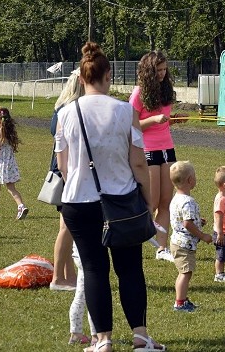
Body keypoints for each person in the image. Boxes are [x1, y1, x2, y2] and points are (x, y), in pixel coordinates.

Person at [55, 42, 165, 352]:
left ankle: (102, 340)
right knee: (130, 269)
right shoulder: (124, 110)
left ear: (82, 77)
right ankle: (141, 336)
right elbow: (139, 162)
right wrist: (147, 199)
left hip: (78, 201)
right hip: (120, 200)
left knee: (93, 269)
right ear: (108, 76)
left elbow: (63, 165)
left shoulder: (66, 112)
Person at [130, 51, 177, 261]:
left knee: (167, 200)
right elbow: (131, 126)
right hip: (147, 149)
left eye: (164, 69)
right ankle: (140, 236)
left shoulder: (166, 90)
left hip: (167, 148)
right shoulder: (138, 94)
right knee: (153, 202)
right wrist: (152, 120)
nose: (162, 74)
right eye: (158, 70)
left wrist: (172, 120)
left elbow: (165, 119)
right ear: (148, 72)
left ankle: (161, 247)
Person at [50, 71, 84, 291]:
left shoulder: (60, 108)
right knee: (67, 227)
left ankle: (67, 276)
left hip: (66, 170)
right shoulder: (69, 110)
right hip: (67, 172)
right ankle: (58, 278)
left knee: (66, 226)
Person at [169, 161, 213, 312]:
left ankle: (182, 299)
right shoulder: (188, 202)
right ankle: (180, 303)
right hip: (184, 244)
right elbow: (187, 224)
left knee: (184, 272)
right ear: (189, 180)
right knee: (185, 273)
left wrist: (198, 221)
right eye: (194, 176)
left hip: (177, 241)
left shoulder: (176, 198)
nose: (196, 179)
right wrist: (202, 235)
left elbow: (181, 219)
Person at [68, 243, 96, 345]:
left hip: (78, 253)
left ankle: (75, 332)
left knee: (79, 296)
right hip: (90, 255)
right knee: (94, 296)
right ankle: (96, 335)